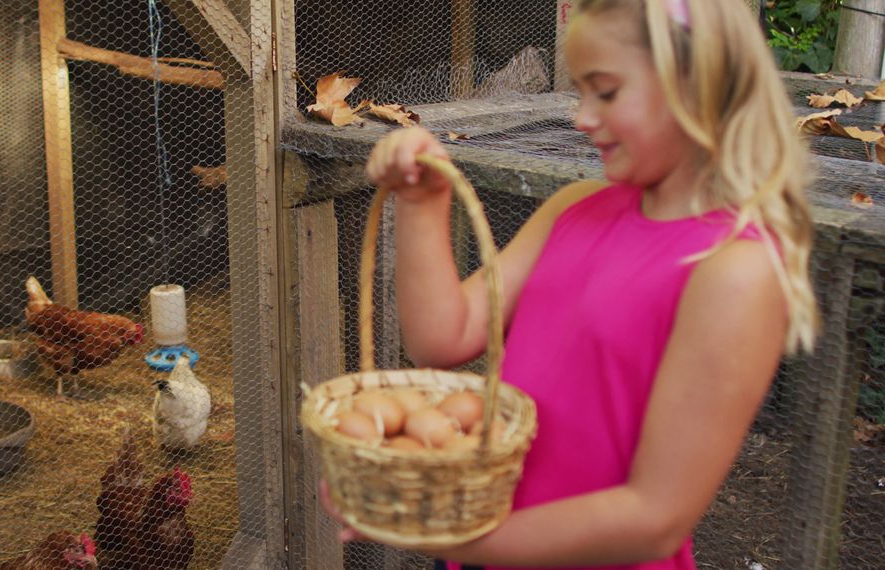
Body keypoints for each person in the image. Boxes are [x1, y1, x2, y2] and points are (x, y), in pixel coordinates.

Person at [319, 0, 820, 568]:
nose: (582, 116)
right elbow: (443, 337)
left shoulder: (733, 270)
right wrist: (422, 202)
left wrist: (439, 535)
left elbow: (654, 517)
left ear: (698, 84)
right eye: (581, 92)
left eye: (605, 92)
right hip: (482, 547)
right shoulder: (573, 208)